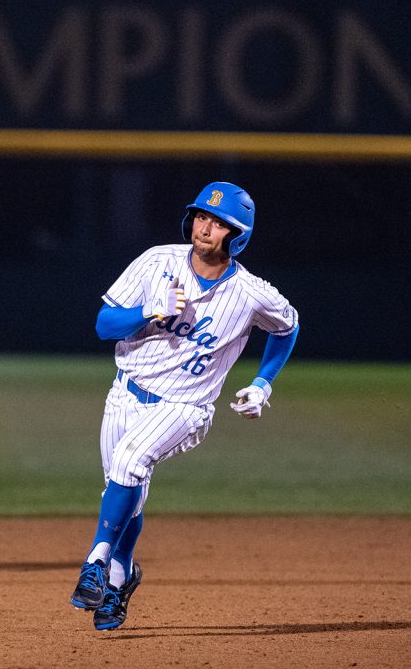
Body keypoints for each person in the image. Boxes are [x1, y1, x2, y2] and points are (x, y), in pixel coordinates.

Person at [70, 181, 299, 631]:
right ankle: (121, 577)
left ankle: (96, 561)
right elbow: (102, 325)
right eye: (200, 216)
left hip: (185, 406)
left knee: (131, 461)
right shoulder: (157, 261)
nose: (205, 227)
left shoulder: (252, 293)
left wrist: (262, 383)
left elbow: (288, 326)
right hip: (125, 392)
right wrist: (148, 312)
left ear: (237, 235)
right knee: (124, 487)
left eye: (218, 223)